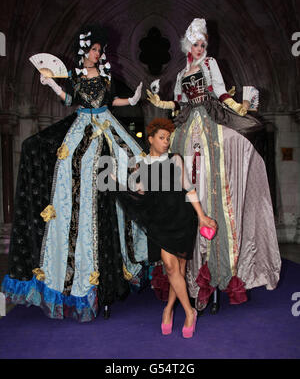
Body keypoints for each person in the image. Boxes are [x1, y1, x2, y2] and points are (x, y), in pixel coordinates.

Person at [1, 24, 148, 322]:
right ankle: (76, 230)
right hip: (81, 127)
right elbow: (69, 100)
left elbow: (111, 102)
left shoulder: (105, 77)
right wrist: (51, 84)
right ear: (84, 50)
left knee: (134, 162)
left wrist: (132, 100)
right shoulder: (75, 76)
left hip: (107, 126)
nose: (97, 53)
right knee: (62, 158)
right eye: (93, 49)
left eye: (99, 50)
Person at [147, 18, 281, 313]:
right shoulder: (183, 71)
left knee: (213, 179)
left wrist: (238, 107)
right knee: (180, 179)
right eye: (195, 44)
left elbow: (220, 94)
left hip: (207, 126)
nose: (199, 48)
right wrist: (160, 100)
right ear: (187, 45)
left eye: (203, 44)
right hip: (185, 127)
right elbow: (178, 103)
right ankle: (186, 270)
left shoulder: (209, 66)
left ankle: (212, 270)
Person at [114, 118, 217, 337]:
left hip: (182, 218)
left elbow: (188, 189)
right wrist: (119, 185)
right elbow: (140, 193)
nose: (166, 142)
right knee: (171, 268)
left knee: (177, 271)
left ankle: (169, 309)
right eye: (161, 138)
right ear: (150, 139)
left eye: (168, 138)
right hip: (159, 223)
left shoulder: (175, 159)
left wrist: (201, 217)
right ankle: (189, 312)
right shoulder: (142, 165)